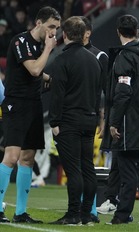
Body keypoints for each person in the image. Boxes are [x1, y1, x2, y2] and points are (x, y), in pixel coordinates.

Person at [0, 6, 60, 224]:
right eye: (51, 26)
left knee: (27, 159)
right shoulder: (21, 41)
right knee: (12, 156)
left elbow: (37, 73)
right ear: (38, 23)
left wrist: (50, 78)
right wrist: (47, 50)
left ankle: (20, 213)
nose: (54, 32)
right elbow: (33, 69)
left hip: (34, 104)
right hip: (16, 104)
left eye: (57, 28)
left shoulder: (40, 45)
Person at [105, 14, 139, 226]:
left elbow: (123, 92)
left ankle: (122, 215)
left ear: (118, 32)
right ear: (137, 31)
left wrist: (114, 121)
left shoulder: (124, 57)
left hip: (127, 120)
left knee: (130, 170)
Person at [48, 16, 102, 225]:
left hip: (69, 120)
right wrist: (96, 117)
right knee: (88, 167)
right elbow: (99, 94)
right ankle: (86, 214)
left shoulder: (63, 59)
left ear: (66, 34)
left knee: (73, 170)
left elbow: (57, 95)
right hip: (89, 119)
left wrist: (54, 122)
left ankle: (73, 214)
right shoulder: (93, 60)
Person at [80, 15, 109, 224]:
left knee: (86, 163)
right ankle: (80, 208)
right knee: (75, 165)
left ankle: (90, 209)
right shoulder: (68, 53)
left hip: (90, 116)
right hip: (71, 115)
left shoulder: (99, 56)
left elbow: (106, 91)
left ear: (87, 32)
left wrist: (103, 118)